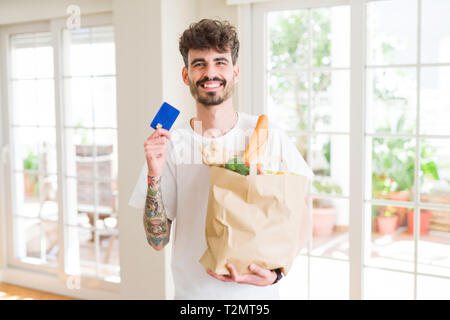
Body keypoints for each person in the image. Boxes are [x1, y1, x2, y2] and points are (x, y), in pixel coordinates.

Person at [129, 19, 313, 300]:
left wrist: (280, 272)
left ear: (235, 72)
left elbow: (302, 211)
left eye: (220, 62)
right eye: (199, 63)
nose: (210, 71)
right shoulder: (172, 144)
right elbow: (157, 240)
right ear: (186, 75)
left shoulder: (268, 135)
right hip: (193, 297)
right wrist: (154, 174)